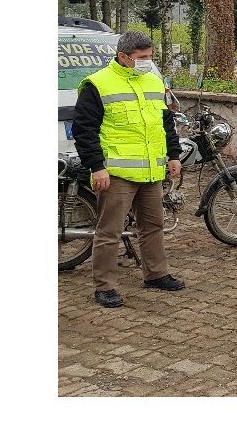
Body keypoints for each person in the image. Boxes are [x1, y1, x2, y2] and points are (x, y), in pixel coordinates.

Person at [72, 31, 186, 308]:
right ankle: (105, 286)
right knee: (109, 232)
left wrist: (173, 155)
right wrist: (97, 167)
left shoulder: (153, 81)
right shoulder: (97, 84)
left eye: (150, 56)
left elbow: (165, 122)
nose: (148, 61)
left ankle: (156, 274)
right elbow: (84, 131)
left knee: (153, 226)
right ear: (123, 57)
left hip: (150, 170)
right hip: (116, 172)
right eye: (142, 57)